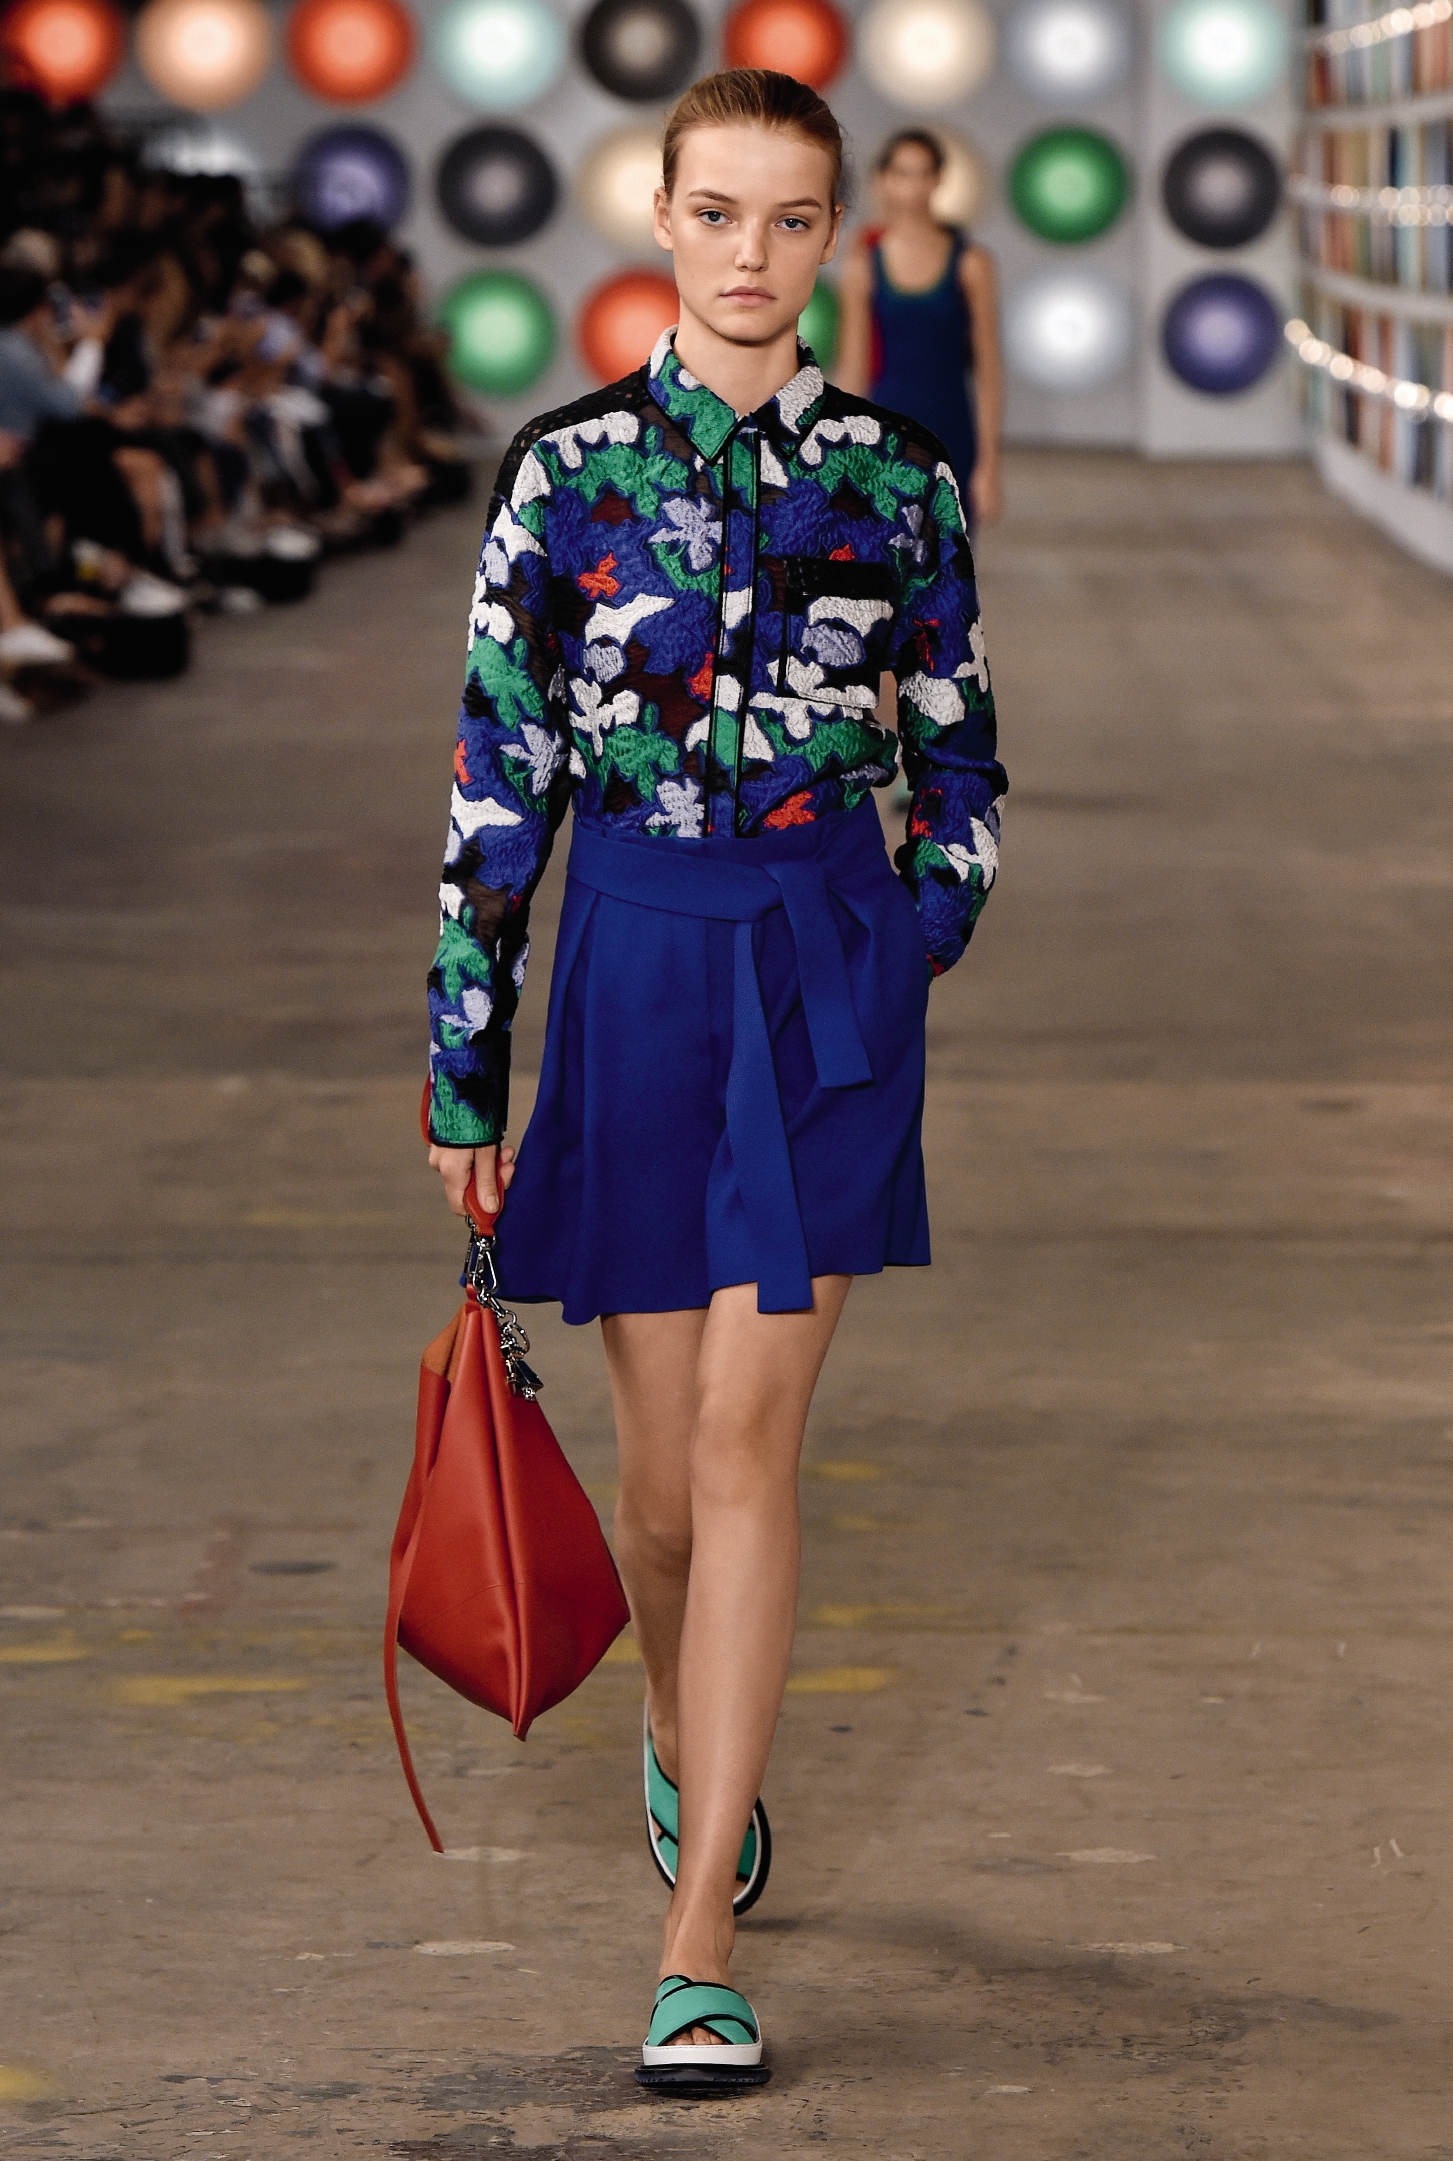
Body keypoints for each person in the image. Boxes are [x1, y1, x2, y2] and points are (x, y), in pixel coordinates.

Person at [424, 67, 1006, 2087]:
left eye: (789, 218)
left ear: (833, 235)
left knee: (754, 1440)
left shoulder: (897, 478)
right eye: (717, 212)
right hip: (633, 974)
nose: (752, 254)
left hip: (824, 982)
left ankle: (697, 1946)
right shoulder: (564, 475)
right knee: (661, 1491)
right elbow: (498, 781)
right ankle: (680, 1733)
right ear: (660, 217)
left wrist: (911, 936)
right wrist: (463, 1069)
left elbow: (960, 755)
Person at [835, 128, 1004, 528]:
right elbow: (853, 368)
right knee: (885, 553)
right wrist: (840, 452)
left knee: (949, 554)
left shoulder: (972, 264)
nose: (913, 186)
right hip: (884, 433)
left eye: (923, 173)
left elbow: (989, 370)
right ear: (883, 180)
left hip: (952, 430)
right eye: (903, 173)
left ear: (939, 179)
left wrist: (989, 464)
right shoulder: (863, 266)